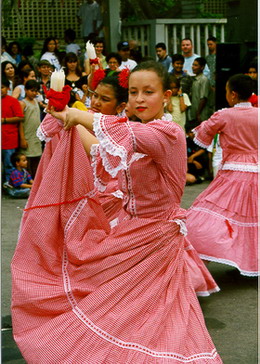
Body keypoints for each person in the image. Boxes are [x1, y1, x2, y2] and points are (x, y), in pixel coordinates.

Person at [11, 61, 222, 363]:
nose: (139, 99)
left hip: (156, 239)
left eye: (148, 91)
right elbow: (98, 147)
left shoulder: (169, 132)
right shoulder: (138, 133)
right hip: (130, 233)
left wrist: (73, 114)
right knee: (130, 311)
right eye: (134, 92)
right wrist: (68, 121)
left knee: (152, 314)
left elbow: (123, 132)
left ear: (168, 95)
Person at [186, 74, 258, 277]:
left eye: (226, 91)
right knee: (252, 220)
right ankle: (249, 264)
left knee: (216, 216)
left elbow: (202, 137)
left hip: (233, 174)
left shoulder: (224, 115)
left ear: (233, 94)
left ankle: (237, 260)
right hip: (257, 172)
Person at [1, 77, 24, 184]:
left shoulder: (13, 101)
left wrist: (4, 120)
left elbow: (20, 117)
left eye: (2, 87)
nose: (0, 90)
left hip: (9, 139)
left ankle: (9, 185)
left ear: (8, 88)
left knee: (9, 164)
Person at [19, 80, 42, 178]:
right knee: (27, 160)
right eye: (32, 90)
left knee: (37, 160)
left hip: (36, 136)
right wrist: (22, 138)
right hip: (27, 136)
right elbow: (20, 122)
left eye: (36, 91)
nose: (34, 93)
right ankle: (28, 181)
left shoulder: (36, 101)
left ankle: (35, 181)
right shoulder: (23, 103)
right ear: (25, 90)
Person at [189, 57, 213, 124]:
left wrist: (198, 113)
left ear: (202, 67)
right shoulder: (194, 80)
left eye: (196, 65)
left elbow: (203, 98)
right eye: (193, 65)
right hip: (195, 115)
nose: (193, 67)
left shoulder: (204, 80)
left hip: (202, 115)